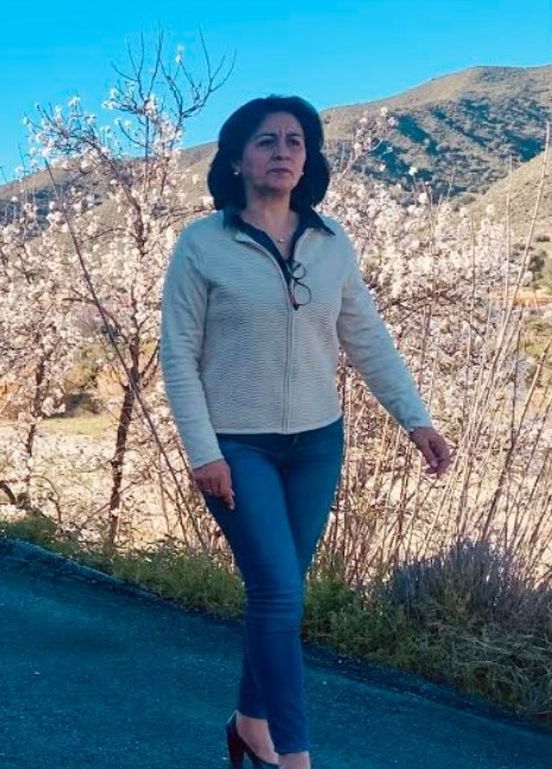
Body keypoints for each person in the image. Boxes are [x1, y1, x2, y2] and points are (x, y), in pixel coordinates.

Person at [158, 95, 453, 769]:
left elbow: (366, 337)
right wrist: (204, 452)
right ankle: (295, 756)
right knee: (277, 592)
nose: (283, 151)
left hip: (317, 443)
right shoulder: (203, 244)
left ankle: (248, 722)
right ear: (237, 159)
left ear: (308, 157)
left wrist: (417, 419)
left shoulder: (330, 242)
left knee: (281, 589)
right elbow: (177, 352)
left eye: (296, 140)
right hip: (237, 445)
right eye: (267, 141)